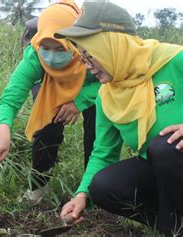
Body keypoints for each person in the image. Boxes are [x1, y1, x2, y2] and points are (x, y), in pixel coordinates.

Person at [55, 2, 182, 236]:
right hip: (164, 171)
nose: (86, 66)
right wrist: (81, 195)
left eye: (90, 55)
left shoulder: (174, 60)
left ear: (111, 45)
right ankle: (174, 228)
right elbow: (103, 152)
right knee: (104, 186)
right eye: (82, 57)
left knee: (165, 147)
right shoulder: (108, 95)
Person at [0, 0, 100, 203]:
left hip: (90, 86)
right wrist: (3, 131)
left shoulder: (92, 48)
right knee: (47, 124)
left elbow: (110, 84)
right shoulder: (35, 55)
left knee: (98, 124)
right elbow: (9, 99)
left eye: (60, 48)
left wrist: (78, 102)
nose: (52, 56)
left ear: (74, 40)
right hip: (50, 84)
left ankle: (94, 188)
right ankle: (38, 187)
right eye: (47, 47)